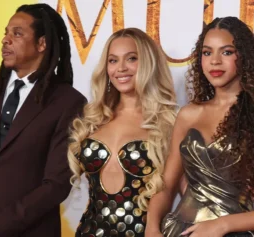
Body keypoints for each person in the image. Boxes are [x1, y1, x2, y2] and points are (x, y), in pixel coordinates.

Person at [145, 16, 254, 237]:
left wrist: (222, 225)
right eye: (207, 52)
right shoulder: (188, 115)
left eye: (227, 52)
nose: (215, 61)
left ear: (245, 57)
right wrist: (152, 227)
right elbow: (166, 186)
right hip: (181, 231)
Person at [0, 4, 86, 237]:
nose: (5, 39)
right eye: (6, 32)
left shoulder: (68, 102)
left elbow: (56, 185)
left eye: (17, 33)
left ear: (42, 43)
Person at [68, 27, 177, 237]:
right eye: (113, 60)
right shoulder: (94, 120)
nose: (121, 68)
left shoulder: (167, 123)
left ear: (148, 63)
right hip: (89, 231)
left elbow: (174, 190)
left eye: (131, 59)